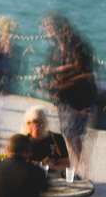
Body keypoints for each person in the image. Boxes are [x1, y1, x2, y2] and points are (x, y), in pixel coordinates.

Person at [40, 13, 96, 178]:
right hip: (64, 97)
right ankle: (75, 167)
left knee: (73, 135)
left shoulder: (78, 45)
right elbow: (64, 66)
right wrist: (50, 73)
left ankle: (80, 170)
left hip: (78, 98)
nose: (46, 31)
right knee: (68, 134)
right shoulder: (59, 46)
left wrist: (56, 74)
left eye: (49, 27)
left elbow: (83, 71)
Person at [21, 106, 69, 171]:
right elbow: (17, 163)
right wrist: (41, 164)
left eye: (37, 122)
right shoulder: (22, 141)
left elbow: (67, 163)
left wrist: (52, 166)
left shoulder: (57, 138)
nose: (34, 126)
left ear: (44, 122)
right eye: (29, 123)